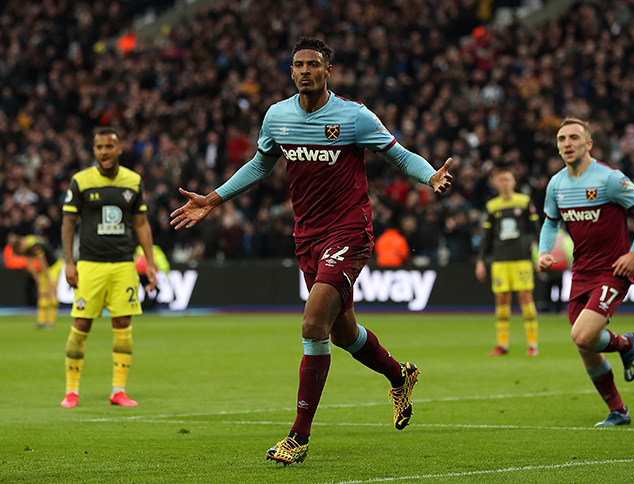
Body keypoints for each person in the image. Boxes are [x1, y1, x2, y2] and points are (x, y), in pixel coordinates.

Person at [171, 37, 453, 465]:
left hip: (349, 231)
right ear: (291, 72)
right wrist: (214, 199)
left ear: (328, 72)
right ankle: (400, 375)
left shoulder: (353, 116)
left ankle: (298, 437)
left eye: (314, 65)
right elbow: (261, 164)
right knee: (341, 334)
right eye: (298, 64)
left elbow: (397, 154)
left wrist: (430, 176)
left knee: (311, 323)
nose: (305, 70)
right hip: (307, 236)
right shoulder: (277, 116)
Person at [537, 118, 634, 427]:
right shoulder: (556, 184)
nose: (567, 143)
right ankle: (618, 410)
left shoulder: (609, 179)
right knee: (585, 345)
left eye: (574, 137)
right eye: (562, 139)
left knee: (583, 334)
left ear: (588, 144)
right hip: (581, 272)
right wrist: (543, 252)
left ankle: (627, 344)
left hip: (612, 270)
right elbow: (551, 222)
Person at [60, 127, 157, 408]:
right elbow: (68, 223)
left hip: (123, 264)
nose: (104, 151)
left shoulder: (134, 181)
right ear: (94, 151)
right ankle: (71, 391)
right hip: (89, 264)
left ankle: (118, 391)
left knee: (123, 324)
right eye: (99, 147)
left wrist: (149, 263)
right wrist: (69, 261)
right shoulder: (80, 181)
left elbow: (141, 223)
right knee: (81, 324)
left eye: (109, 146)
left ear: (119, 149)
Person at [475, 166, 540, 356]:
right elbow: (486, 237)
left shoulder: (525, 201)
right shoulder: (492, 206)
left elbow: (536, 229)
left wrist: (541, 254)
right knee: (501, 301)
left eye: (508, 179)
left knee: (525, 299)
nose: (504, 183)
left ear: (514, 181)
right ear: (495, 183)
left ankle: (532, 344)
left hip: (521, 258)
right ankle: (502, 345)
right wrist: (480, 261)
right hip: (499, 260)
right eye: (500, 180)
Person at [7, 233, 64, 329]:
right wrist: (37, 279)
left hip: (54, 266)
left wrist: (49, 279)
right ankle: (41, 320)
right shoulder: (26, 243)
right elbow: (30, 264)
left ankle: (51, 321)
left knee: (51, 293)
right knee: (42, 293)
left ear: (21, 244)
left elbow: (43, 262)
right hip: (44, 269)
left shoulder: (35, 246)